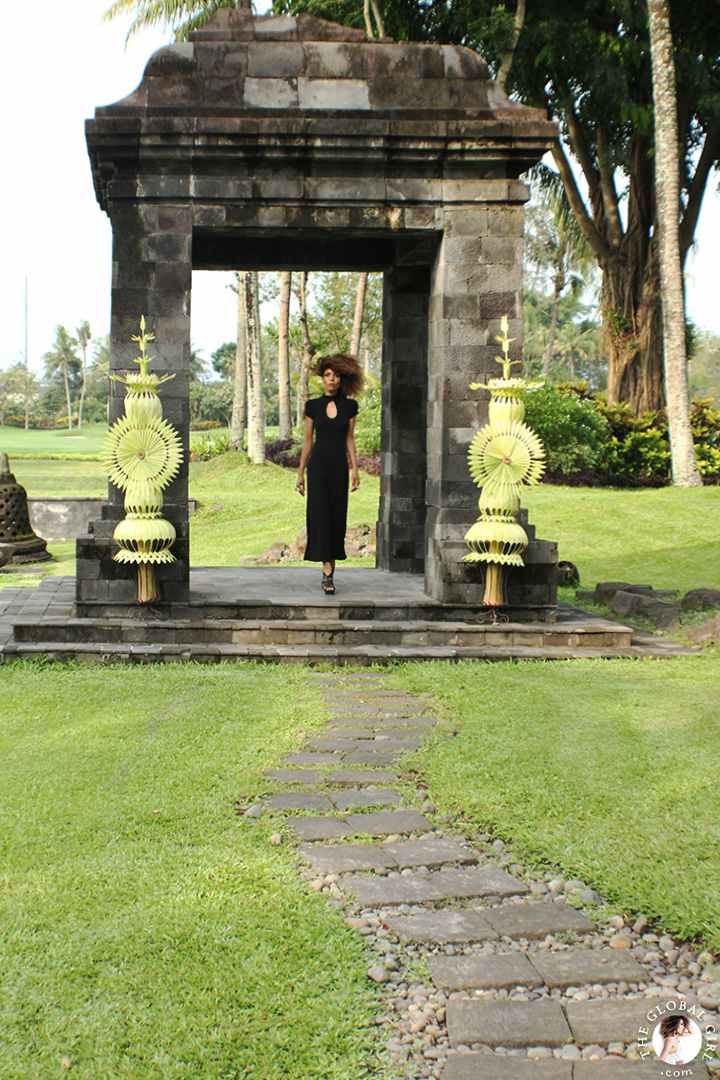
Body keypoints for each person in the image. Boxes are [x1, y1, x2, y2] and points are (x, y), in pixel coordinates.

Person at [296, 353, 364, 594]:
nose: (331, 379)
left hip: (339, 470)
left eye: (335, 375)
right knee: (320, 517)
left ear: (341, 378)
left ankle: (330, 570)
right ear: (322, 379)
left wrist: (355, 470)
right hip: (317, 469)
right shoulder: (313, 406)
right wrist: (300, 473)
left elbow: (349, 440)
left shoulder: (350, 406)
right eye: (327, 375)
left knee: (336, 518)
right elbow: (307, 442)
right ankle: (327, 574)